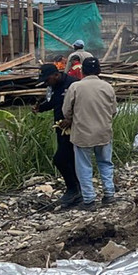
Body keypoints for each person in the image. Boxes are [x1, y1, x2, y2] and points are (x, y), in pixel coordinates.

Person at [60, 57, 117, 210]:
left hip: (83, 134)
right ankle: (109, 195)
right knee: (105, 163)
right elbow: (113, 111)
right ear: (99, 70)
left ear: (82, 71)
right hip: (103, 132)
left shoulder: (75, 87)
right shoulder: (107, 87)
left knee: (84, 167)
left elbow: (66, 111)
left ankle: (89, 200)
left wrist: (72, 119)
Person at [35, 64, 80, 207]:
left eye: (47, 80)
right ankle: (77, 191)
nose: (46, 83)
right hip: (60, 128)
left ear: (56, 74)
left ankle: (74, 189)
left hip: (74, 129)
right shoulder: (52, 87)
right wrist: (40, 108)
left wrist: (70, 119)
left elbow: (81, 105)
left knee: (60, 160)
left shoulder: (73, 84)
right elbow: (52, 103)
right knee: (69, 160)